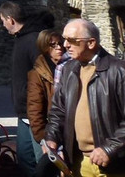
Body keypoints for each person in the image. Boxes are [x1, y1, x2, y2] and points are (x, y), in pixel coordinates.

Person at [44, 18, 125, 175]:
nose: (65, 45)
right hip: (78, 161)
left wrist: (109, 149)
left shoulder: (119, 71)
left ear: (91, 43)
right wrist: (51, 137)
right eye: (64, 39)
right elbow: (58, 110)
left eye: (71, 40)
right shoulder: (69, 70)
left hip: (112, 163)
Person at [1, 1, 55, 177]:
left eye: (3, 21)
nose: (3, 26)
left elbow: (45, 75)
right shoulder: (22, 39)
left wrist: (37, 105)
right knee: (25, 161)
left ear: (10, 19)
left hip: (36, 112)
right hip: (23, 114)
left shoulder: (32, 40)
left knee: (43, 163)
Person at [27, 29, 65, 171]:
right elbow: (34, 109)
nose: (59, 47)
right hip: (49, 133)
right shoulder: (37, 74)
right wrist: (44, 139)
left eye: (60, 43)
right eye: (53, 45)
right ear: (44, 47)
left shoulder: (70, 66)